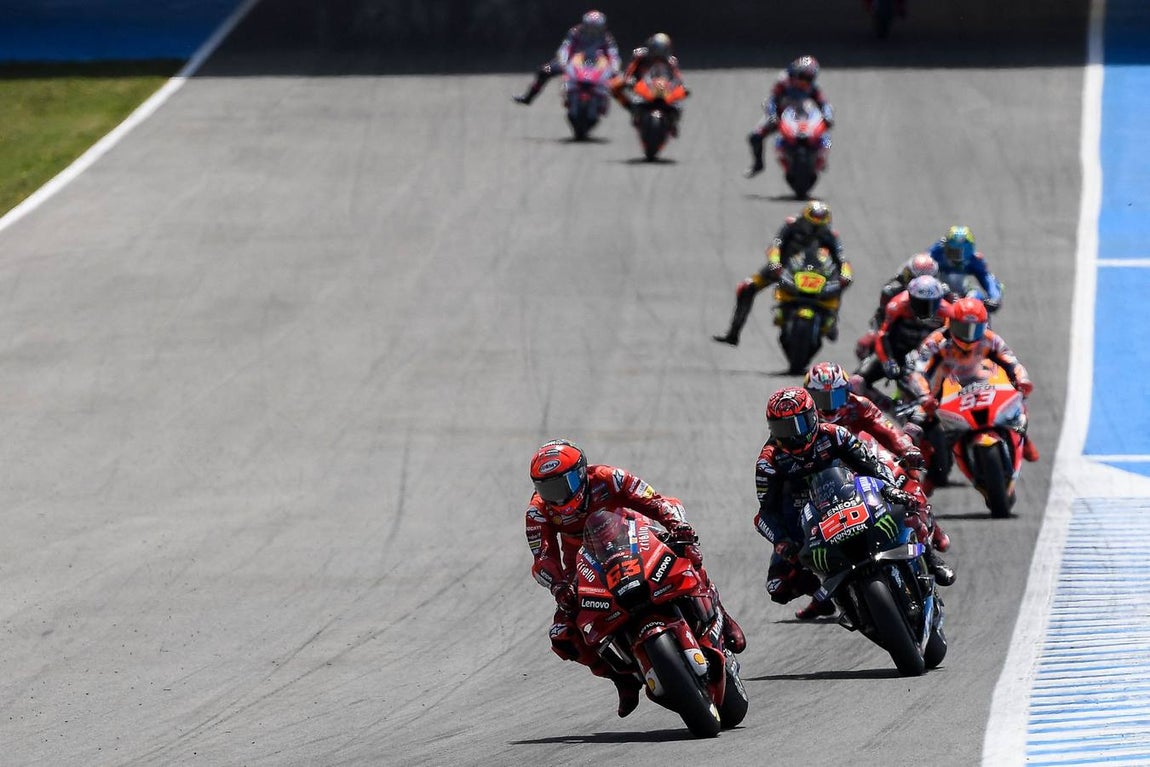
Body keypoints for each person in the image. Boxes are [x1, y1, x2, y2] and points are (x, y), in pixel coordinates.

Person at [526, 439, 746, 718]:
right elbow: (542, 558)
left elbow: (654, 501)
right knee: (563, 635)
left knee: (686, 553)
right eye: (546, 489)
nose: (556, 497)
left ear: (581, 473)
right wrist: (559, 586)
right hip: (582, 563)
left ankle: (722, 617)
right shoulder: (537, 511)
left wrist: (679, 527)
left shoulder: (608, 478)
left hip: (631, 536)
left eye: (562, 484)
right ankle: (623, 678)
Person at [754, 388, 954, 621]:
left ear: (812, 417)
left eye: (798, 424)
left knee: (906, 503)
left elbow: (871, 465)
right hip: (807, 517)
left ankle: (929, 558)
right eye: (783, 429)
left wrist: (888, 488)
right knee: (777, 587)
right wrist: (781, 541)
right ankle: (824, 595)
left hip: (851, 493)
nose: (793, 435)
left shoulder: (834, 434)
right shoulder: (768, 462)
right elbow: (765, 514)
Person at [800, 363, 950, 618]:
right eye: (820, 398)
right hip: (827, 480)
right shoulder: (803, 422)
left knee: (909, 490)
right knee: (798, 543)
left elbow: (887, 429)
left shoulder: (858, 405)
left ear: (845, 393)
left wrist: (906, 449)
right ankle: (826, 594)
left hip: (866, 462)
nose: (828, 405)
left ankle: (929, 555)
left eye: (834, 396)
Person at [906, 297, 1039, 462]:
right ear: (951, 323)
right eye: (962, 328)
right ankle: (931, 475)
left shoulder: (990, 338)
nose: (968, 336)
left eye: (974, 330)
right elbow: (917, 371)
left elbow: (1012, 361)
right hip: (945, 387)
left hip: (982, 380)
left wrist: (1022, 379)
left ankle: (1023, 438)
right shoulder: (936, 341)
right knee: (915, 425)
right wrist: (924, 395)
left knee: (1016, 397)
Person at [713, 200, 852, 346]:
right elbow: (776, 245)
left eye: (820, 225)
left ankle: (832, 320)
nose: (815, 228)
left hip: (816, 273)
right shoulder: (791, 225)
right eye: (812, 224)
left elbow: (842, 258)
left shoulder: (830, 235)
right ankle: (733, 333)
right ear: (804, 218)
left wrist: (846, 274)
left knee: (838, 285)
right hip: (784, 268)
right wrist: (775, 263)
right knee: (747, 287)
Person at [856, 275, 952, 397]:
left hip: (926, 359)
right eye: (920, 303)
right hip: (897, 353)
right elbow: (882, 335)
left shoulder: (948, 312)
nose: (925, 310)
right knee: (856, 381)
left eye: (931, 304)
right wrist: (888, 361)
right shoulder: (897, 305)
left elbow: (953, 339)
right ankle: (883, 406)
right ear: (910, 297)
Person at [744, 55, 834, 178]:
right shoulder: (783, 82)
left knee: (826, 137)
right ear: (795, 73)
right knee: (755, 136)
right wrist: (772, 115)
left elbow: (824, 103)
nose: (805, 82)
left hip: (802, 114)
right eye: (803, 77)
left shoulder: (812, 87)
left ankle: (822, 158)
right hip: (780, 114)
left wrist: (828, 116)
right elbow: (772, 100)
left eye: (810, 78)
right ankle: (758, 164)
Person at [513, 10, 622, 106]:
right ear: (584, 25)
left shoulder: (607, 38)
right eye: (590, 27)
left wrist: (614, 68)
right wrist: (563, 62)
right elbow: (565, 48)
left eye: (596, 28)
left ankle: (628, 106)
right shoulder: (575, 32)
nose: (593, 31)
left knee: (620, 81)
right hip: (572, 62)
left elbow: (613, 54)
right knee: (544, 70)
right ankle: (528, 97)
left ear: (602, 27)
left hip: (595, 64)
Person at [611, 33, 687, 135]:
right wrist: (628, 79)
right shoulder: (640, 56)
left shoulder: (671, 61)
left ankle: (672, 122)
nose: (658, 53)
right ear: (651, 46)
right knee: (614, 87)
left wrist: (680, 88)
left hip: (662, 86)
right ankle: (631, 107)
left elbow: (677, 78)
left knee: (677, 104)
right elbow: (630, 69)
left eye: (662, 49)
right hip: (640, 83)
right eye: (656, 48)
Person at [927, 226, 1004, 311]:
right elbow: (924, 261)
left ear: (967, 251)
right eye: (949, 249)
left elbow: (987, 278)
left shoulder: (974, 260)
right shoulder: (938, 252)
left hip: (963, 296)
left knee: (977, 295)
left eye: (956, 252)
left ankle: (984, 324)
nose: (951, 254)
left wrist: (994, 298)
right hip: (939, 292)